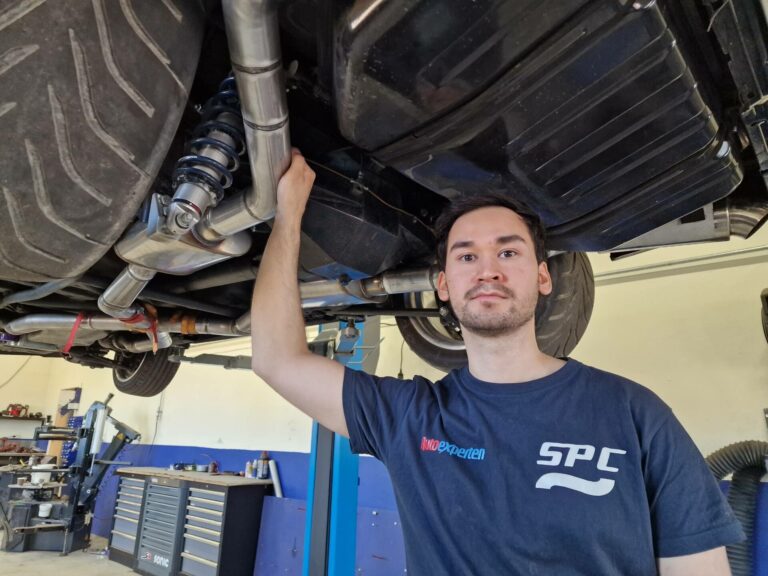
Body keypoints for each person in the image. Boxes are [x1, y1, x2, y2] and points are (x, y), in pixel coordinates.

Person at [250, 149, 745, 575]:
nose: (487, 268)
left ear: (543, 277)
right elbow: (276, 357)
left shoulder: (634, 414)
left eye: (508, 252)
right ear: (443, 286)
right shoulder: (410, 417)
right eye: (466, 257)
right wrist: (288, 216)